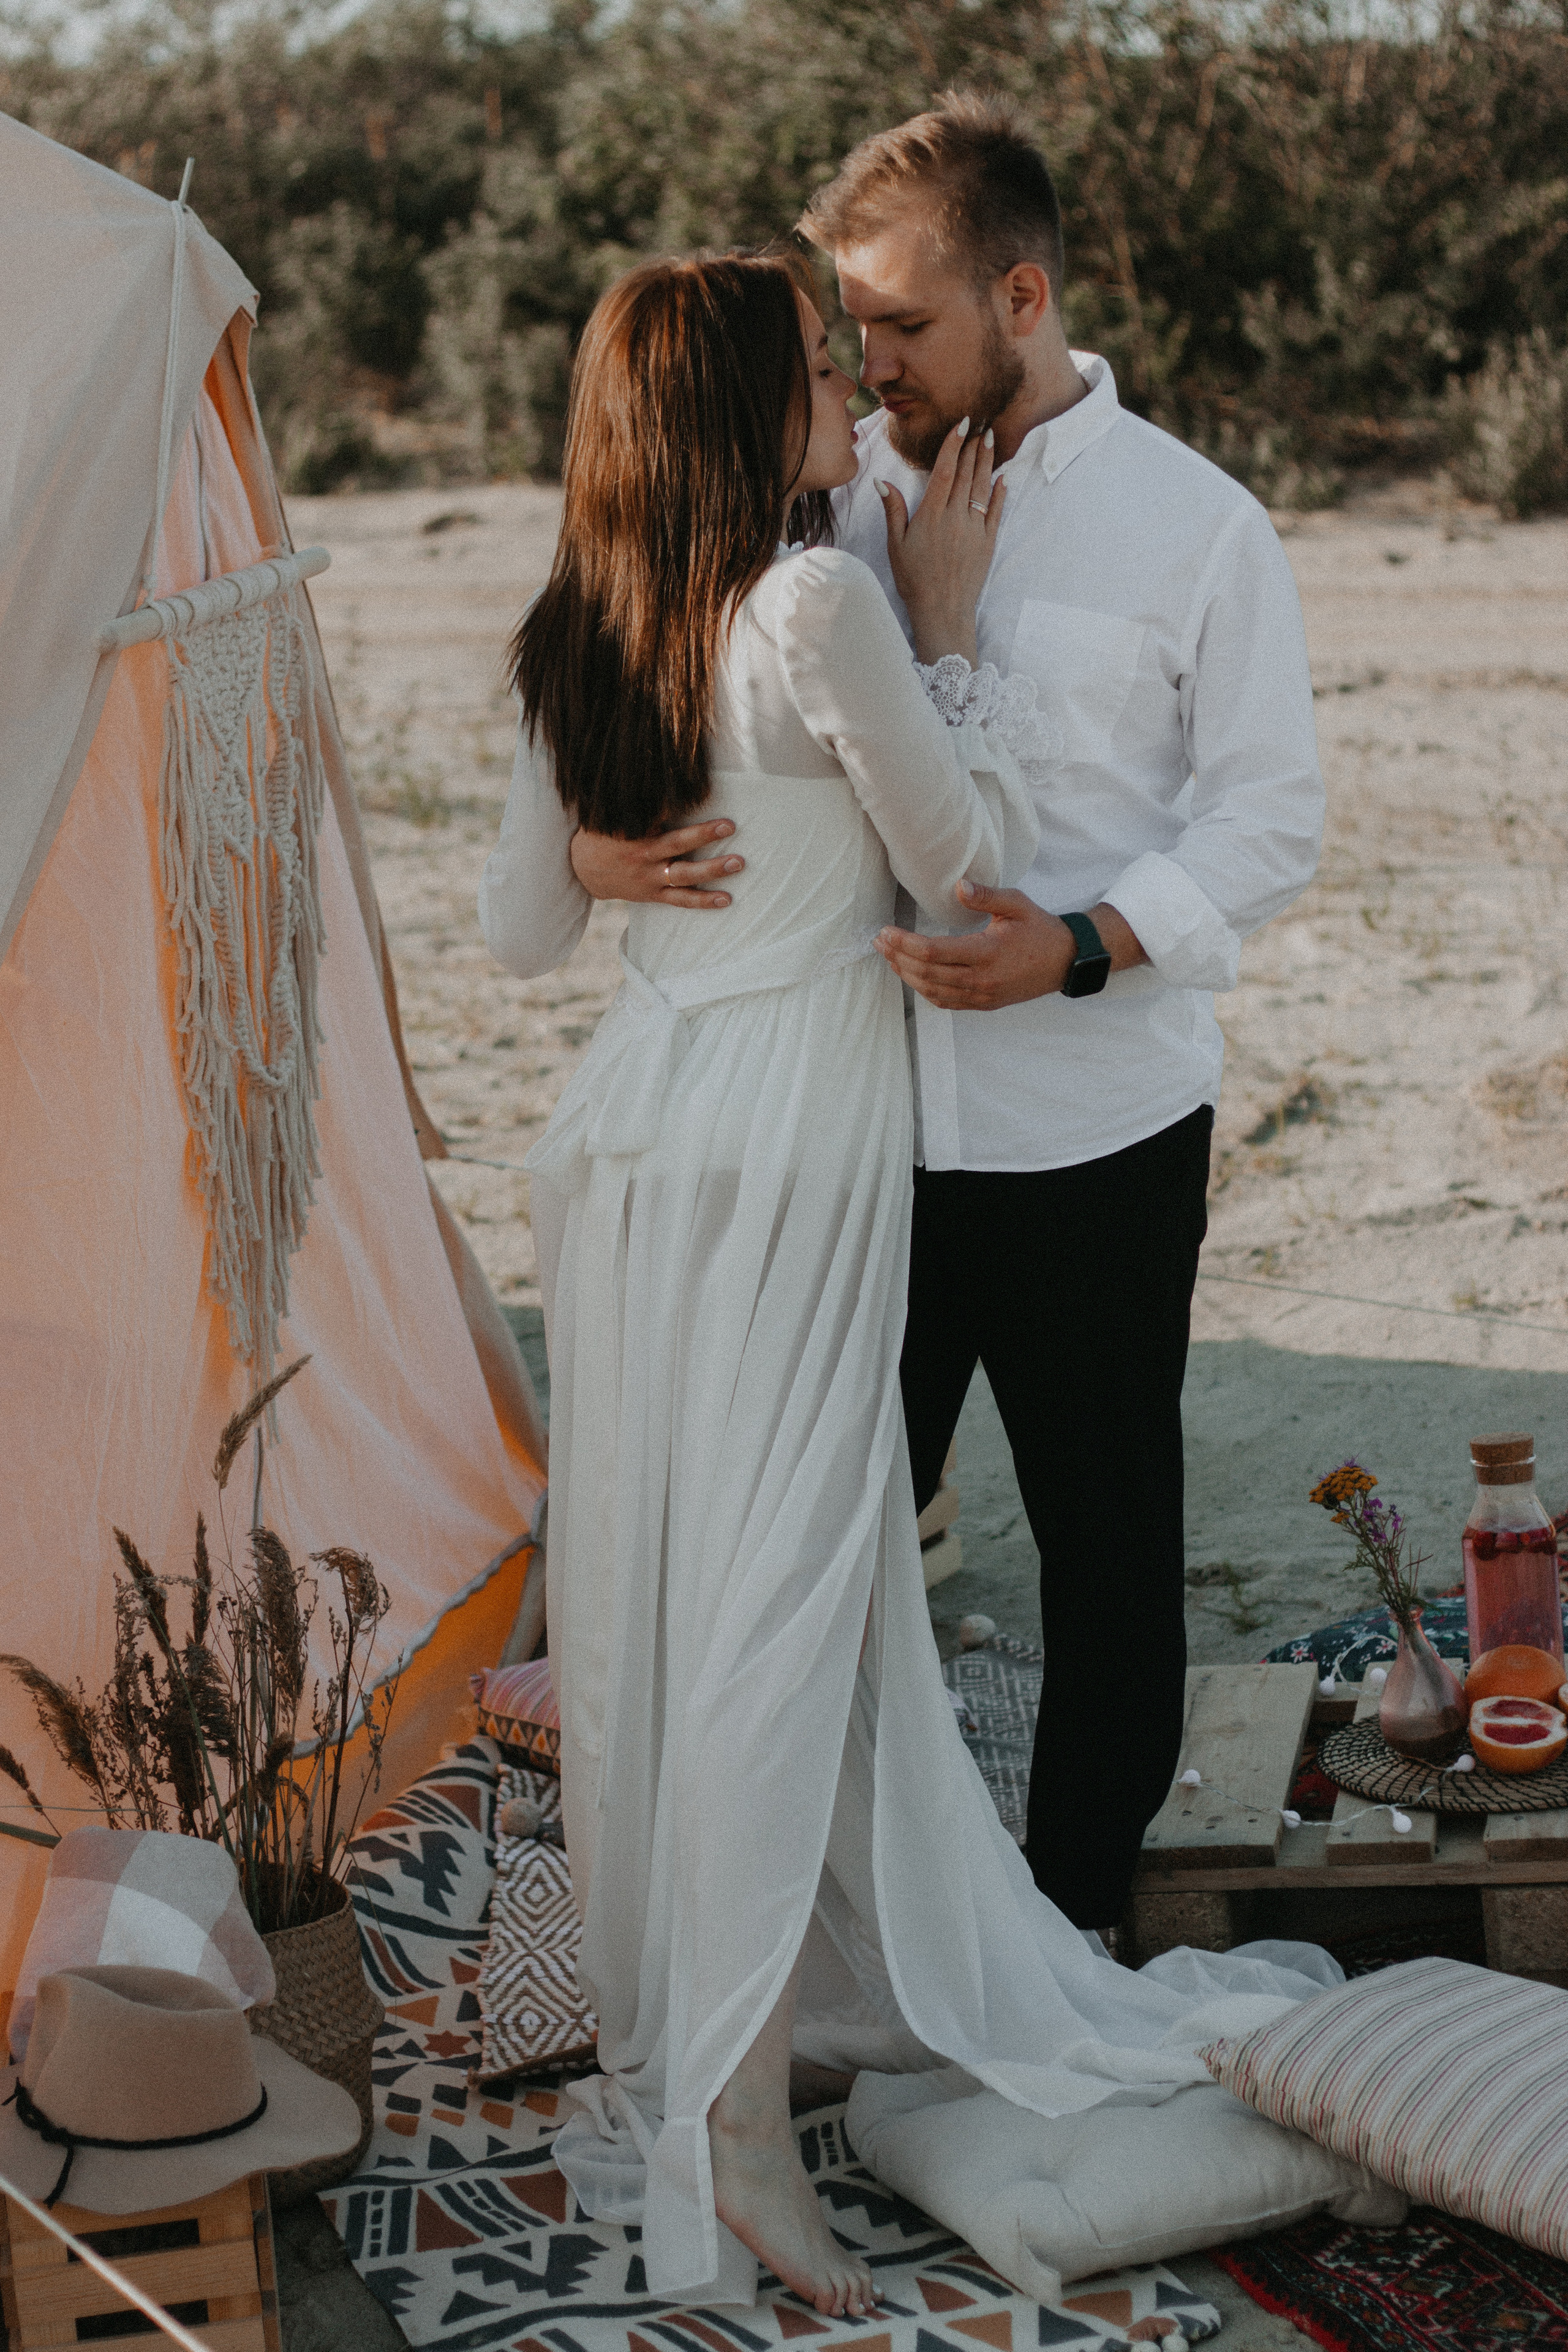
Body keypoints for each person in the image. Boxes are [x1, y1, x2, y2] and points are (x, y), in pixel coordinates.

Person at [481, 249, 1338, 2323]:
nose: (850, 406)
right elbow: (965, 857)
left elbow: (516, 933)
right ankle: (743, 2126)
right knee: (778, 1611)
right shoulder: (820, 602)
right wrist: (943, 637)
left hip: (628, 1161)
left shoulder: (573, 618)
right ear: (739, 417)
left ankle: (695, 2042)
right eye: (813, 373)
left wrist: (610, 849)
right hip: (789, 1155)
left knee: (666, 1596)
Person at [568, 94, 1326, 1939]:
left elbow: (1269, 818)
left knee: (1107, 1548)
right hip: (860, 1130)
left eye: (902, 325)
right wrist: (596, 841)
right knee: (821, 1543)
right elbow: (646, 613)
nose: (869, 359)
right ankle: (835, 1935)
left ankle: (1072, 1928)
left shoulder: (1199, 532)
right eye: (851, 327)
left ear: (1026, 293)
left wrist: (1078, 947)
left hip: (1096, 1126)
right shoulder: (826, 495)